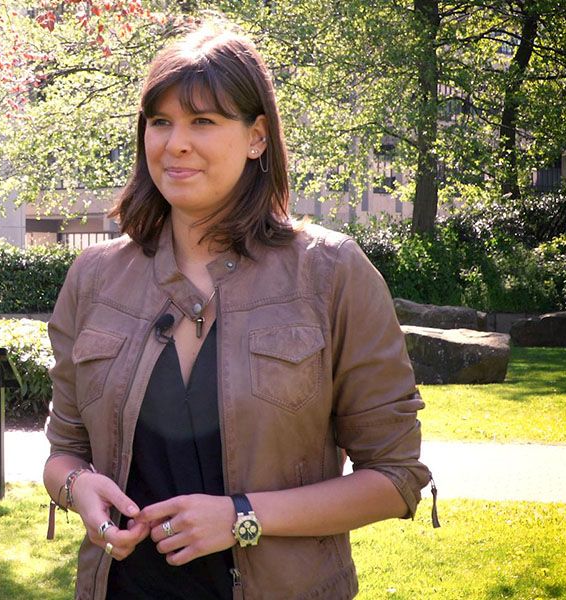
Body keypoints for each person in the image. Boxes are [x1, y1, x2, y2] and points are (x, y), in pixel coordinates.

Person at [42, 21, 434, 600]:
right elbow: (64, 451)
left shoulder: (330, 274)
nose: (175, 143)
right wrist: (78, 488)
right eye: (160, 122)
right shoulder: (94, 277)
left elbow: (396, 479)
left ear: (256, 137)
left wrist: (242, 516)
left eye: (203, 121)